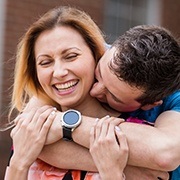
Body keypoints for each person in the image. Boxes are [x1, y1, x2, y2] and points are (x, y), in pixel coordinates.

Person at [18, 25, 180, 179]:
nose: (95, 91)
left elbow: (164, 154)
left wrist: (62, 123)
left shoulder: (174, 97)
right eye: (99, 73)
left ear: (150, 104)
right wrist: (120, 166)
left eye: (113, 95)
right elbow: (29, 135)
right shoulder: (98, 52)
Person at [4, 6, 129, 180]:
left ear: (96, 56)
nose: (59, 72)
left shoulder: (133, 125)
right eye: (45, 62)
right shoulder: (32, 129)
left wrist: (112, 174)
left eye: (70, 56)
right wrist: (18, 163)